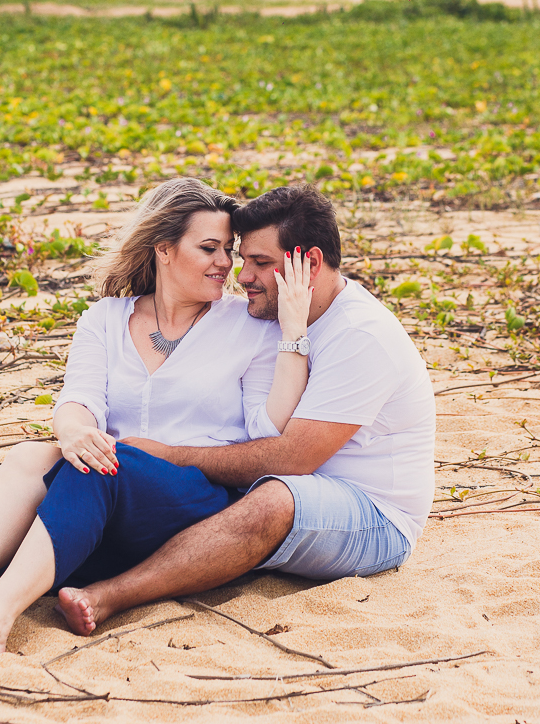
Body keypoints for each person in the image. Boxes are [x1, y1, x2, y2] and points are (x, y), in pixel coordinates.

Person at [0, 177, 313, 665]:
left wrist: (293, 332)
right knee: (34, 456)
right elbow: (80, 400)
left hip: (196, 499)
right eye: (209, 248)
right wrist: (74, 430)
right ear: (163, 249)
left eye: (229, 249)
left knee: (100, 468)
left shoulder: (248, 326)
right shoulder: (105, 319)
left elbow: (268, 430)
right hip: (107, 491)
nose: (226, 263)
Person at [55, 184, 436, 637]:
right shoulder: (281, 320)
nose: (242, 276)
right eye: (243, 259)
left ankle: (110, 594)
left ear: (309, 264)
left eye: (260, 263)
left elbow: (293, 459)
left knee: (273, 499)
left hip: (374, 516)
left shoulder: (360, 335)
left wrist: (169, 455)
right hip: (299, 490)